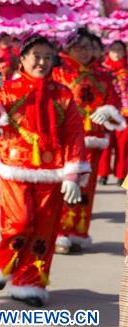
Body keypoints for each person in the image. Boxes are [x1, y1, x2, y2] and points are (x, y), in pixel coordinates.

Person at [0, 35, 86, 307]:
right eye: (36, 55)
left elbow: (73, 134)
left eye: (48, 56)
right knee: (20, 223)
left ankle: (30, 283)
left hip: (52, 170)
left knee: (45, 230)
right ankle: (2, 261)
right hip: (15, 167)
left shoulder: (63, 94)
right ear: (22, 58)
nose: (43, 62)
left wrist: (72, 174)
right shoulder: (8, 89)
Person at [52, 29, 125, 253]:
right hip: (67, 142)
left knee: (87, 189)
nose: (84, 51)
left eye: (89, 47)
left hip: (94, 140)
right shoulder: (58, 74)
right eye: (79, 46)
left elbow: (116, 105)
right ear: (68, 48)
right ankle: (60, 232)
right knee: (66, 186)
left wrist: (108, 109)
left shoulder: (104, 76)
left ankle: (78, 232)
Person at [101, 40, 128, 184]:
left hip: (124, 113)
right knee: (105, 145)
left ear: (124, 52)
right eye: (114, 50)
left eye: (120, 50)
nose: (117, 53)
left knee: (123, 146)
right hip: (105, 112)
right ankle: (103, 173)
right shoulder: (102, 70)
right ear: (108, 52)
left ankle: (121, 174)